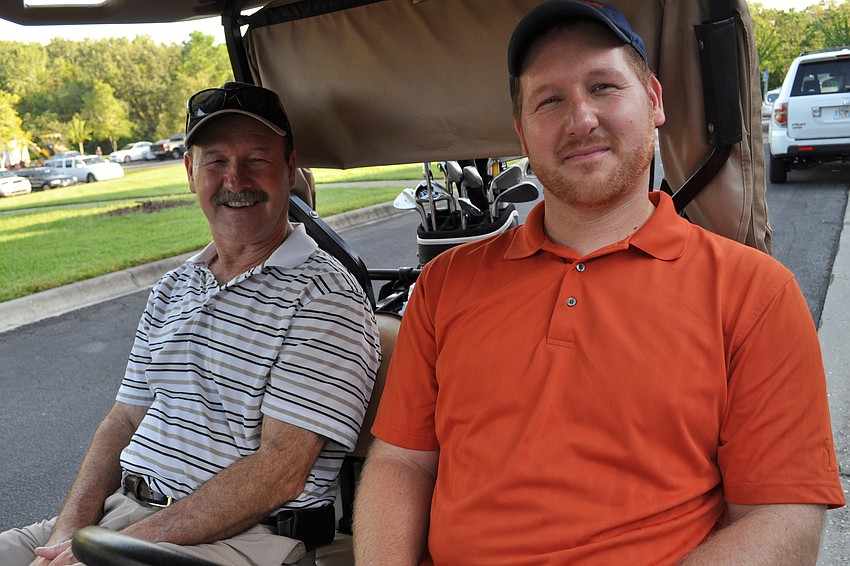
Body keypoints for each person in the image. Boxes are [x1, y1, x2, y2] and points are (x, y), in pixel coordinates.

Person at [352, 2, 845, 564]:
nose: (579, 119)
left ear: (654, 100)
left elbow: (783, 519)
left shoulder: (757, 293)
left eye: (604, 87)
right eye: (549, 100)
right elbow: (402, 462)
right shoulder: (445, 285)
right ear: (521, 132)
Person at [0, 81, 381, 566]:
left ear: (289, 169)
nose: (235, 180)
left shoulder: (325, 298)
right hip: (125, 517)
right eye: (216, 161)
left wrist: (125, 543)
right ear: (190, 172)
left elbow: (279, 472)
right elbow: (123, 419)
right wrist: (68, 531)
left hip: (242, 540)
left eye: (257, 160)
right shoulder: (175, 286)